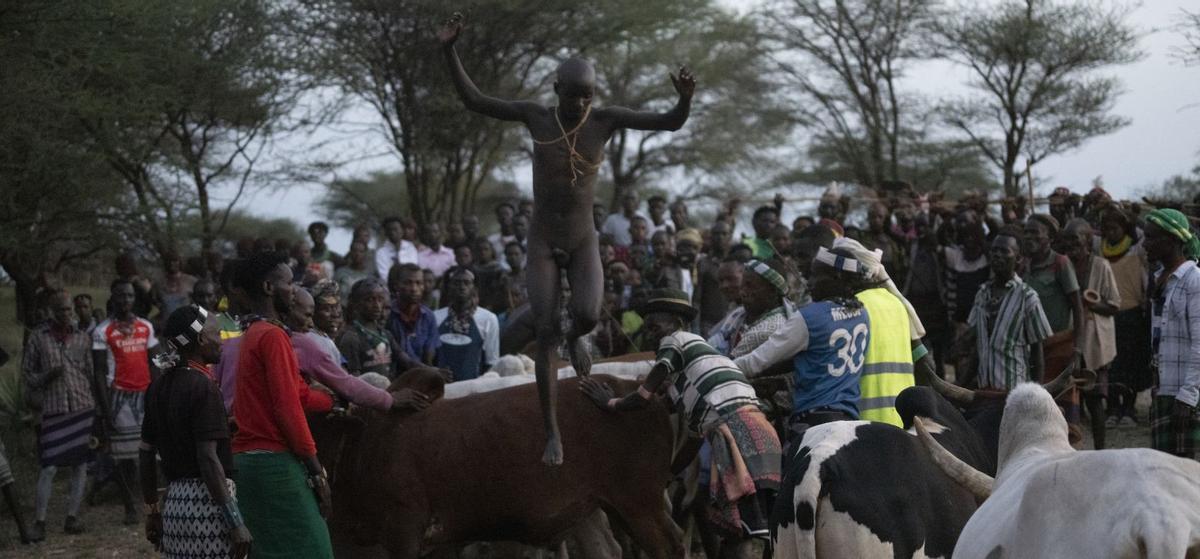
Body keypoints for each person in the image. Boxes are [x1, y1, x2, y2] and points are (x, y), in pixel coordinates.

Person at [443, 11, 693, 464]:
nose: (580, 103)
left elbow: (670, 123)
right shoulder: (534, 117)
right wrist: (449, 50)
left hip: (581, 240)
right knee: (543, 329)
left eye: (588, 96)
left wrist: (684, 100)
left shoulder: (605, 121)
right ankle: (552, 434)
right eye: (573, 95)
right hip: (541, 238)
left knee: (587, 316)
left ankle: (577, 336)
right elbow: (475, 100)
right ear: (556, 90)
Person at [579, 289, 781, 549]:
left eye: (655, 327)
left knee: (743, 528)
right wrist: (669, 474)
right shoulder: (696, 372)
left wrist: (609, 402)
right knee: (753, 528)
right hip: (760, 431)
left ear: (676, 323)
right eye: (647, 329)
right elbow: (694, 440)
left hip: (736, 432)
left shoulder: (676, 341)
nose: (650, 335)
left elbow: (643, 397)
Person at [230, 251, 334, 558]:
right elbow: (287, 409)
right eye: (289, 282)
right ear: (267, 288)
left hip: (248, 462)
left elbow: (296, 393)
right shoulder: (273, 337)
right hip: (273, 464)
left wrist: (329, 399)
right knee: (316, 550)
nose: (295, 288)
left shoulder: (253, 332)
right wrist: (317, 471)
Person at [139, 306, 252, 559]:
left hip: (175, 507)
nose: (221, 338)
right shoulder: (203, 387)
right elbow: (207, 459)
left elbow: (146, 454)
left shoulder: (157, 386)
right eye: (217, 332)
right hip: (209, 506)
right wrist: (234, 521)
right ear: (201, 339)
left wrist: (152, 511)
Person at [734, 248, 871, 446]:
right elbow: (818, 356)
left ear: (837, 277)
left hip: (813, 419)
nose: (809, 282)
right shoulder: (862, 313)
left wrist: (719, 369)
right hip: (849, 418)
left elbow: (756, 361)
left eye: (816, 275)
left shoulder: (810, 318)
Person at [831, 237, 931, 428]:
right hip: (902, 421)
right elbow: (924, 363)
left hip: (863, 423)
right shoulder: (896, 303)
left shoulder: (852, 309)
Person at [22, 290, 95, 540]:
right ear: (52, 312)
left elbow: (90, 373)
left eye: (70, 310)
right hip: (53, 409)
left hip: (81, 406)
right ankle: (40, 521)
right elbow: (27, 375)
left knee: (80, 464)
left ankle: (72, 517)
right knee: (49, 466)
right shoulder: (38, 338)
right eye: (62, 310)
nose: (67, 314)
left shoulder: (82, 338)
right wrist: (46, 376)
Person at [285, 289, 429, 412]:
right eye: (308, 315)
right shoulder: (306, 341)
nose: (310, 323)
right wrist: (390, 400)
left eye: (337, 309)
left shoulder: (383, 333)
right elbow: (344, 383)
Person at [93, 278, 160, 525]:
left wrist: (157, 394)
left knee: (149, 455)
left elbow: (154, 363)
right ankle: (129, 506)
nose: (126, 301)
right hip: (119, 397)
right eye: (121, 296)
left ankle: (148, 503)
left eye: (130, 296)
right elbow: (99, 372)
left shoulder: (145, 327)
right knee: (123, 458)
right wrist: (105, 407)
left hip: (145, 395)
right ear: (113, 298)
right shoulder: (102, 331)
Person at [1056, 219, 1120, 449]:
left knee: (1094, 402)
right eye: (1068, 239)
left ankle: (1101, 449)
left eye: (1076, 238)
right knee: (1067, 402)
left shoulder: (1101, 266)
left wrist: (1088, 304)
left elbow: (1114, 305)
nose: (1071, 244)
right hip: (1068, 340)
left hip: (1094, 344)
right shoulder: (1062, 264)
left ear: (1087, 240)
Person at [1023, 214, 1086, 442]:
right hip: (1030, 348)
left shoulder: (1060, 263)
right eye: (1026, 232)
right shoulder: (1023, 265)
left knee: (1061, 412)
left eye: (1035, 232)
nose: (1029, 237)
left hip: (1058, 348)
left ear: (1048, 237)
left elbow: (1078, 309)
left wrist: (1077, 351)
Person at [1142, 209, 1200, 458]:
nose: (1145, 244)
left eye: (1152, 238)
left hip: (1187, 397)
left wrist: (1187, 396)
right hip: (1164, 392)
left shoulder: (1193, 280)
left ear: (1173, 241)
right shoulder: (1160, 280)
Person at [964, 232, 1052, 390]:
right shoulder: (982, 295)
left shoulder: (1028, 297)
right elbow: (978, 349)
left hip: (1015, 393)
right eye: (994, 250)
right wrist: (961, 384)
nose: (997, 255)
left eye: (1005, 251)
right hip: (985, 391)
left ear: (1018, 259)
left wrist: (1037, 393)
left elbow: (1037, 354)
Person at [1100, 206, 1151, 426]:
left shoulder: (1136, 250)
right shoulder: (1099, 250)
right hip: (1107, 315)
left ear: (1125, 228)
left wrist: (1134, 217)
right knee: (1111, 364)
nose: (1111, 233)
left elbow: (1143, 234)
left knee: (1131, 364)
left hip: (1132, 315)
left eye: (1116, 228)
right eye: (1107, 229)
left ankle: (1128, 409)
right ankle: (1112, 409)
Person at [434, 267, 500, 381]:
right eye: (456, 283)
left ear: (474, 288)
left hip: (473, 389)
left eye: (467, 283)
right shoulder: (435, 317)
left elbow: (492, 362)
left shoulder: (488, 319)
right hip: (440, 387)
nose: (461, 287)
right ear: (449, 287)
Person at [338, 278, 404, 378]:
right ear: (357, 304)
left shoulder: (385, 334)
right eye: (370, 300)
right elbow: (353, 378)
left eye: (380, 300)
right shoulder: (352, 338)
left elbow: (406, 360)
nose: (377, 305)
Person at [386, 264, 440, 368]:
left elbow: (428, 358)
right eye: (408, 283)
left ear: (423, 286)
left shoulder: (428, 316)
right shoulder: (387, 313)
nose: (414, 288)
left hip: (420, 376)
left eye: (419, 283)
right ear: (397, 285)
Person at [375, 216, 419, 280]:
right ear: (386, 233)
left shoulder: (410, 248)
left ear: (402, 231)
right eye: (389, 230)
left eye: (395, 229)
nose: (392, 233)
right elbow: (384, 276)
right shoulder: (381, 252)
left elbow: (414, 269)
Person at [157, 250, 198, 320]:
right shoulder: (159, 283)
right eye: (168, 260)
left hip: (187, 323)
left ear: (180, 262)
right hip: (167, 324)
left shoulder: (191, 281)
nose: (171, 263)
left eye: (175, 260)